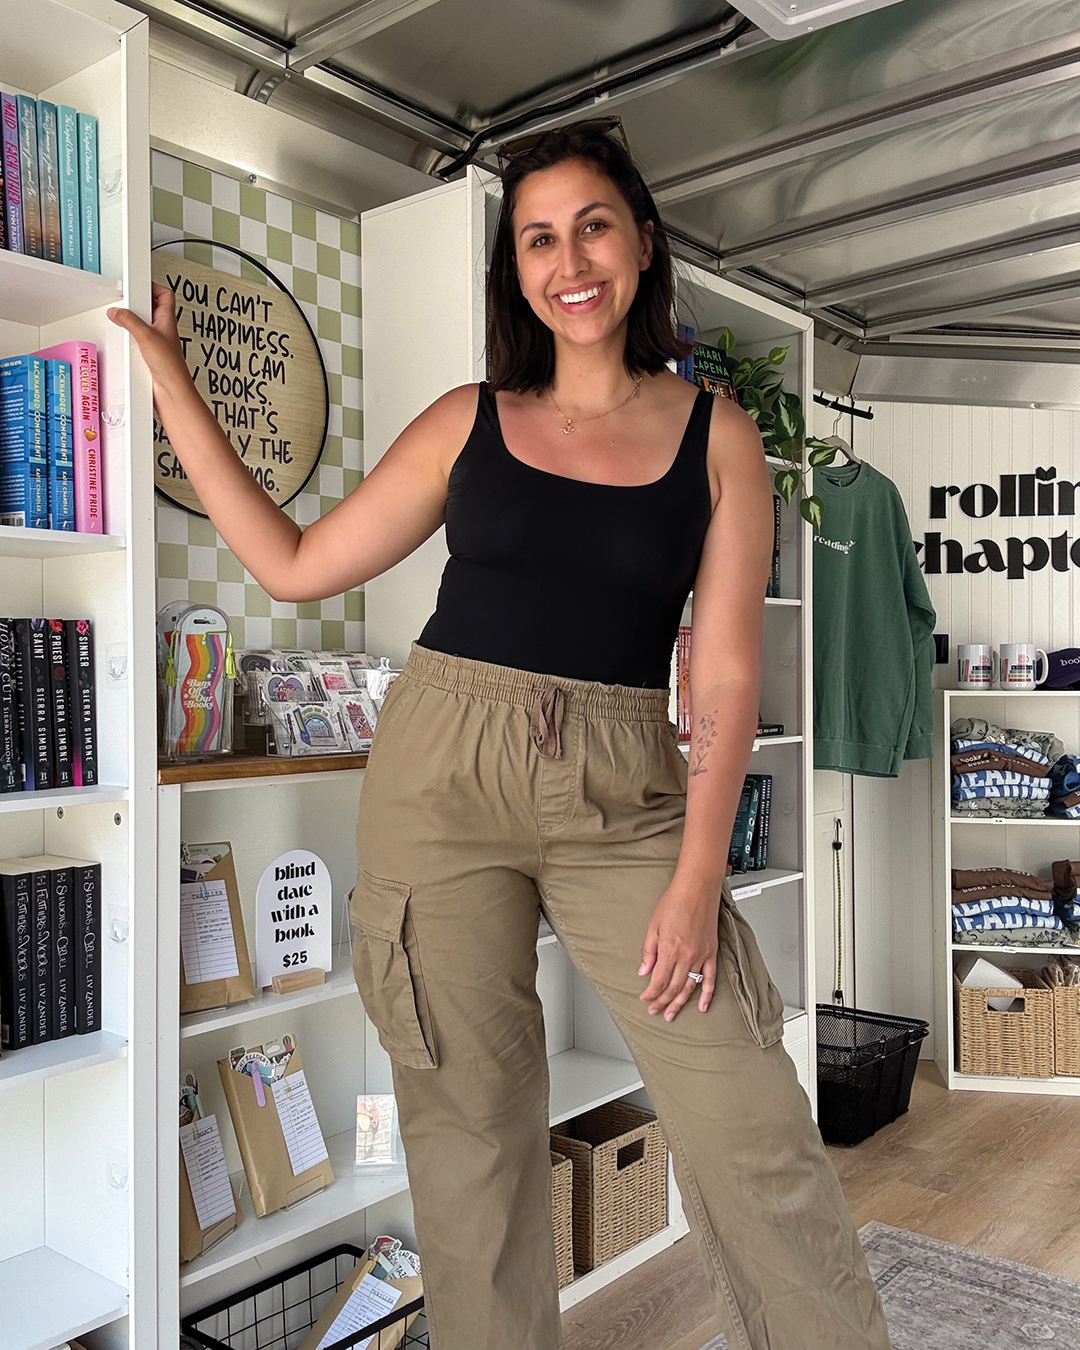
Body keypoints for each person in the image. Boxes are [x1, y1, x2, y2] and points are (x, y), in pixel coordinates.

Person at [110, 122, 890, 1350]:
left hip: (626, 791)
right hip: (440, 780)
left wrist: (698, 878)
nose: (568, 259)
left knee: (754, 1128)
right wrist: (170, 380)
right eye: (537, 238)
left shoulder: (716, 435)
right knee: (472, 1160)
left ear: (641, 240)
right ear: (515, 269)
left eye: (591, 225)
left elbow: (728, 673)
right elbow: (296, 561)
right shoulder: (466, 420)